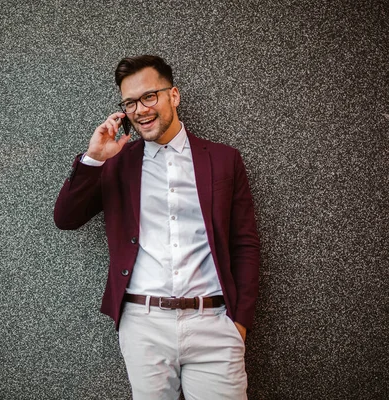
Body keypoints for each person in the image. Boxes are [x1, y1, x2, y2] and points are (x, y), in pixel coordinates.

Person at [54, 55, 260, 399]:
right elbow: (66, 218)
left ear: (173, 96)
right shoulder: (116, 162)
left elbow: (245, 243)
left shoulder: (224, 159)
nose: (140, 109)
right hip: (144, 325)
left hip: (214, 323)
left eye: (149, 96)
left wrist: (239, 322)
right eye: (130, 102)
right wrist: (94, 158)